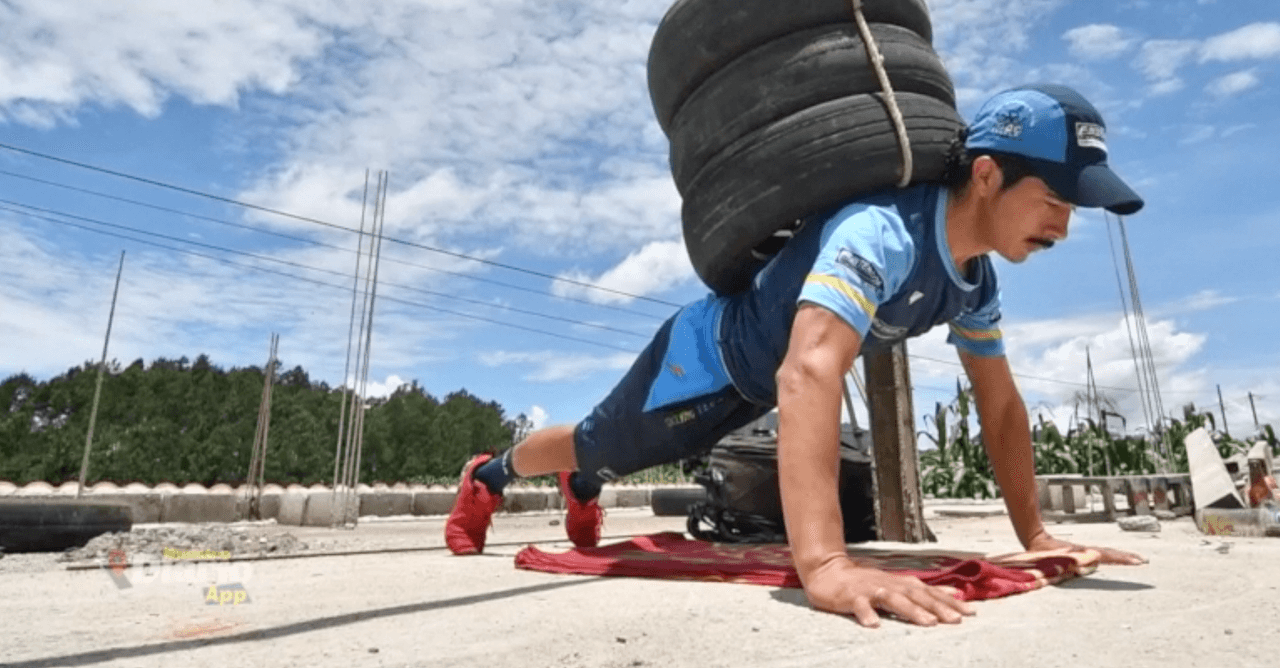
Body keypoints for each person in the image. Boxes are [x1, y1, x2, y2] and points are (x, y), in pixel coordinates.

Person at [445, 83, 1148, 628]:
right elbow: (809, 369)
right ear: (989, 176)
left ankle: (584, 482)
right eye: (1055, 198)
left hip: (759, 386)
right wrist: (826, 566)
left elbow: (999, 405)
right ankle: (493, 473)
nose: (1063, 223)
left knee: (604, 455)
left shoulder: (975, 280)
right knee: (599, 443)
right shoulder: (882, 233)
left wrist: (1036, 534)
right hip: (707, 362)